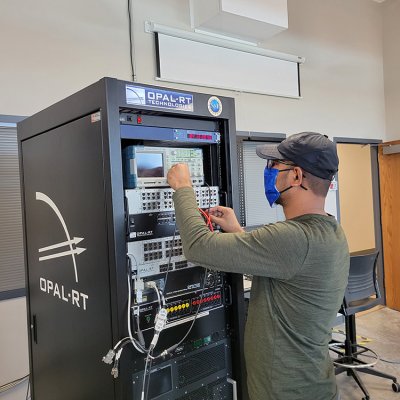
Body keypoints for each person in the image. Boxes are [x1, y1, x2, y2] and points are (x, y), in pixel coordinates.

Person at [167, 132, 349, 400]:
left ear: (297, 176)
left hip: (287, 392)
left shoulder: (292, 238)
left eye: (274, 165)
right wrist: (238, 231)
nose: (269, 172)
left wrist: (183, 188)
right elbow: (285, 270)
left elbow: (197, 246)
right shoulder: (330, 230)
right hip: (312, 383)